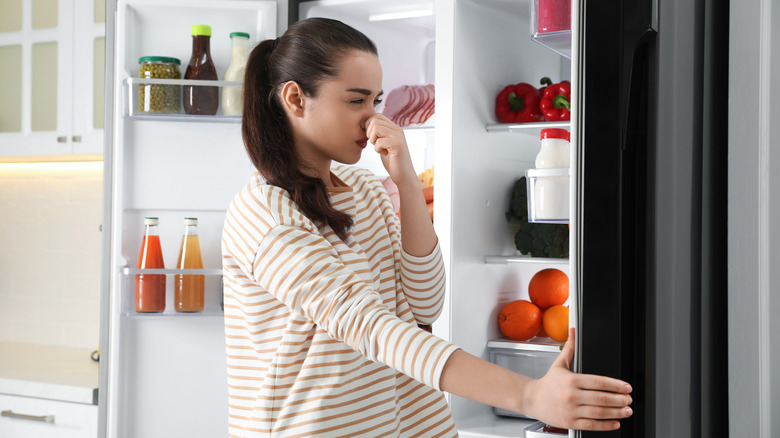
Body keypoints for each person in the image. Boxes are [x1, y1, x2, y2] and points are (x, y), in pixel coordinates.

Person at [221, 17, 633, 437]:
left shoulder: (364, 189)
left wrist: (406, 181)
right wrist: (529, 396)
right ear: (295, 98)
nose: (372, 120)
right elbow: (369, 327)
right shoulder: (266, 216)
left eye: (376, 102)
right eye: (355, 101)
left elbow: (424, 304)